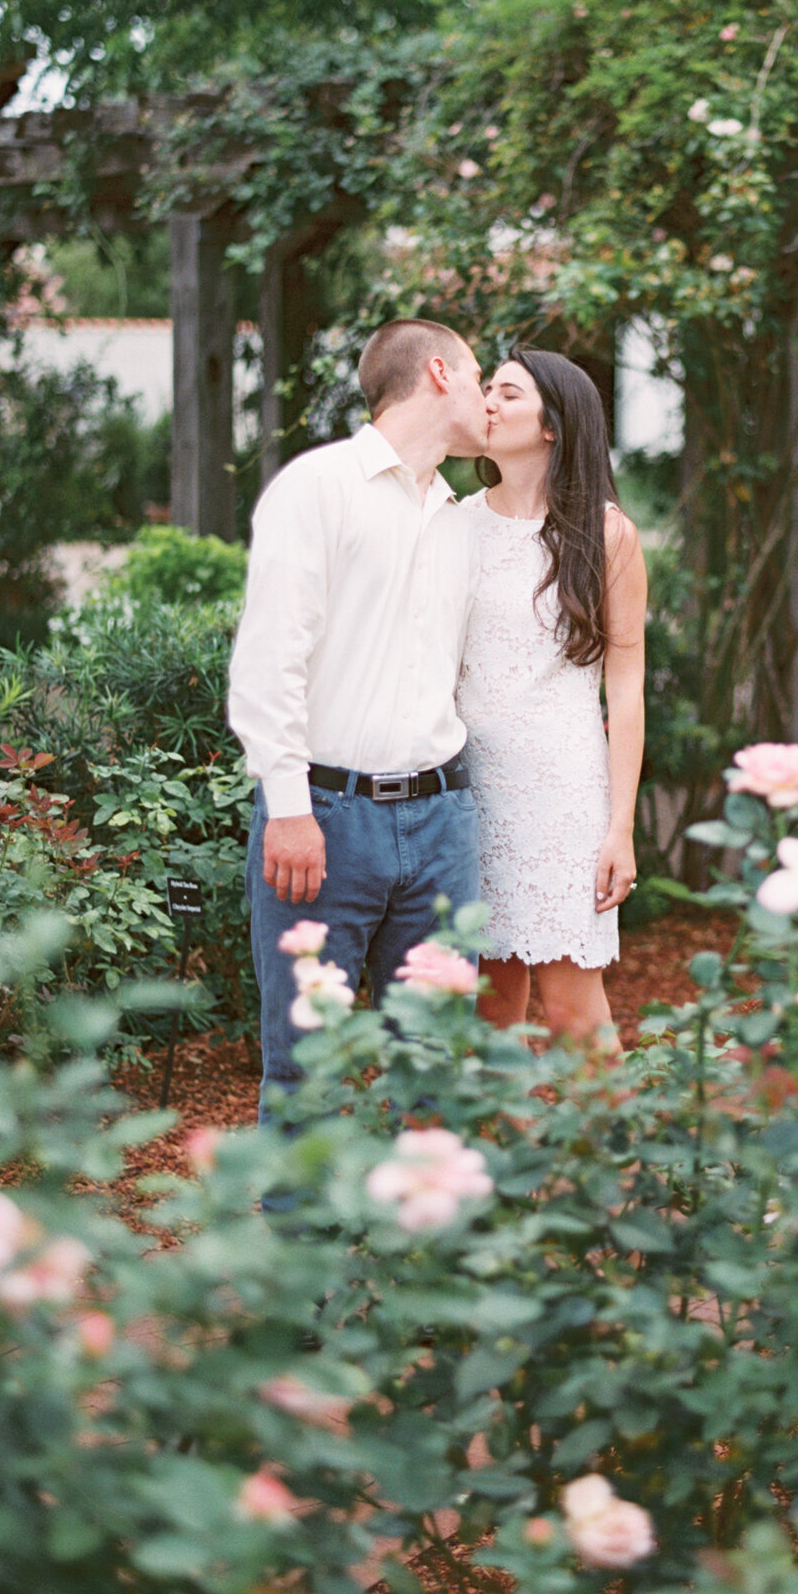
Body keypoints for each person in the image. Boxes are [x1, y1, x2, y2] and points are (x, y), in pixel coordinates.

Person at [229, 316, 489, 1112]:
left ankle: (431, 1237)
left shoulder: (459, 518)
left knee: (440, 1070)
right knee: (309, 1071)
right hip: (326, 824)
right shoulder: (318, 487)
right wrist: (290, 809)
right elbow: (270, 664)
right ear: (440, 373)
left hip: (445, 824)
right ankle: (301, 1239)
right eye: (481, 381)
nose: (487, 401)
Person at [458, 348, 647, 1041]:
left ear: (553, 425)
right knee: (486, 1006)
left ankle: (614, 1153)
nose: (487, 403)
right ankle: (482, 1150)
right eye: (487, 390)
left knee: (572, 1010)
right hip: (465, 789)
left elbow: (625, 694)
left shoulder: (608, 535)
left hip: (562, 798)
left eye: (507, 393)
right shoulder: (452, 523)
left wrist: (620, 827)